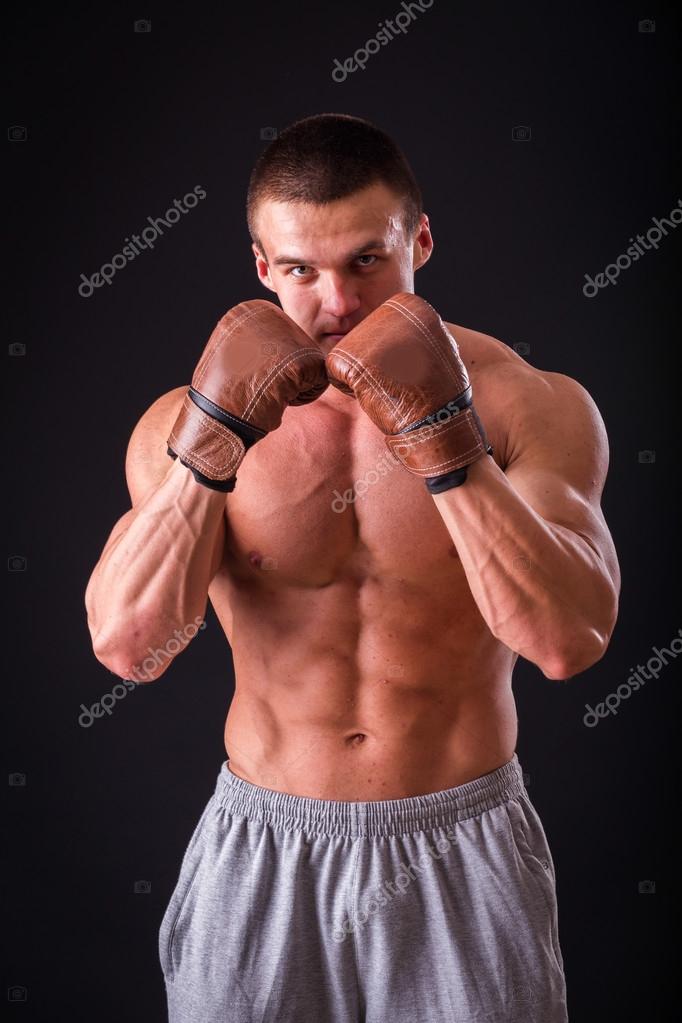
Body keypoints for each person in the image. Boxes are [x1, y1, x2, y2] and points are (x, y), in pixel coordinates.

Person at [85, 113, 621, 1022]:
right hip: (264, 847)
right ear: (261, 267)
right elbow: (128, 644)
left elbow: (569, 641)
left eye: (367, 261)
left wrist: (447, 442)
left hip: (464, 842)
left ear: (418, 239)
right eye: (300, 270)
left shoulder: (528, 404)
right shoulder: (182, 424)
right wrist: (208, 451)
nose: (336, 303)